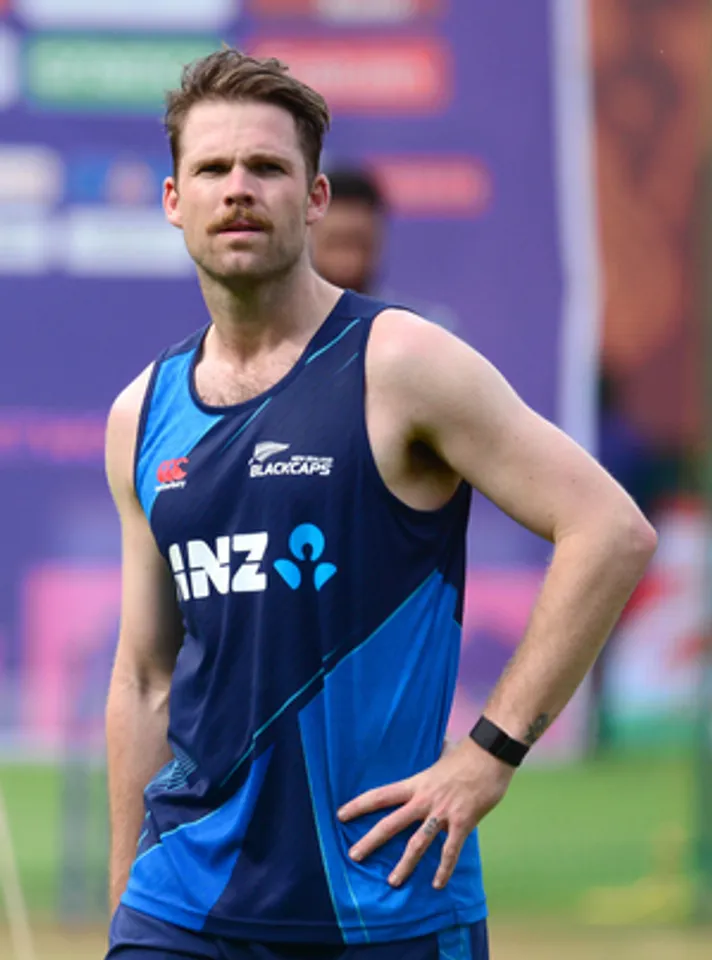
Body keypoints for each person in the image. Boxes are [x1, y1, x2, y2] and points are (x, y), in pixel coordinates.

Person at [103, 48, 657, 960]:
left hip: (384, 904)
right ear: (174, 199)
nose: (238, 189)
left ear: (315, 197)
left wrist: (489, 754)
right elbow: (145, 678)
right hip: (181, 912)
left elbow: (609, 530)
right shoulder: (142, 414)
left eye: (268, 168)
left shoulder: (400, 363)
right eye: (212, 169)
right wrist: (129, 898)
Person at [310, 166, 386, 294]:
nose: (347, 263)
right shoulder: (273, 312)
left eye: (357, 245)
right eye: (335, 244)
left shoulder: (405, 314)